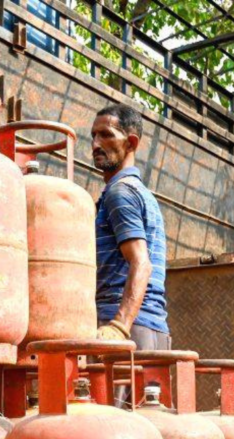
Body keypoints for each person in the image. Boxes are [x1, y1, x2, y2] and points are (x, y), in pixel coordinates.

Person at [90, 103, 169, 350]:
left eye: (106, 135)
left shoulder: (120, 193)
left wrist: (119, 325)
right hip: (152, 327)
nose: (95, 145)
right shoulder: (143, 194)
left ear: (131, 143)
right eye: (93, 136)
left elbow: (141, 262)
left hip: (124, 327)